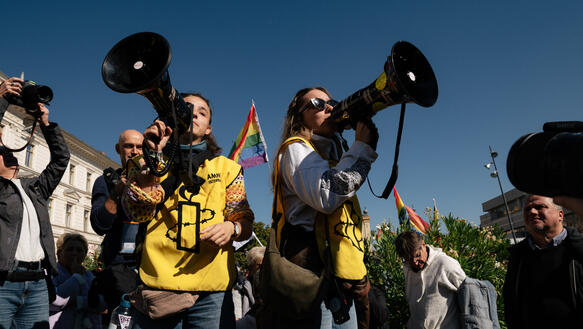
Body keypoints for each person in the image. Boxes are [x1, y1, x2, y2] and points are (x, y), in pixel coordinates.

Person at [124, 93, 254, 329]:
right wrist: (151, 161)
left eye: (202, 112)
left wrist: (231, 227)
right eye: (186, 109)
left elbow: (244, 221)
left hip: (211, 293)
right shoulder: (144, 161)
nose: (194, 113)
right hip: (159, 289)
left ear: (208, 129)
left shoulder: (228, 168)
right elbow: (138, 213)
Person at [265, 87, 378, 329]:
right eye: (317, 103)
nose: (330, 107)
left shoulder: (334, 154)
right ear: (298, 116)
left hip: (341, 280)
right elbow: (328, 194)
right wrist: (362, 148)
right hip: (312, 278)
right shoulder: (295, 148)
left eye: (332, 103)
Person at [0, 77, 70, 329]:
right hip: (4, 284)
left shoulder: (35, 188)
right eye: (2, 151)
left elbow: (61, 160)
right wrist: (3, 101)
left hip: (38, 284)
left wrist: (46, 124)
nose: (8, 153)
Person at [503, 195, 583, 328]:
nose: (532, 212)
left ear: (560, 215)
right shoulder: (518, 257)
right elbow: (511, 305)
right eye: (527, 209)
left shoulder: (578, 249)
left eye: (540, 207)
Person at [89, 129, 143, 316]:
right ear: (118, 149)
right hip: (119, 270)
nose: (135, 151)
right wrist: (117, 191)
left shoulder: (156, 182)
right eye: (129, 146)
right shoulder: (105, 181)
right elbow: (99, 225)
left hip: (150, 269)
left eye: (139, 147)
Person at [394, 231, 466, 329]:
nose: (414, 263)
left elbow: (469, 297)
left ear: (423, 245)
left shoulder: (445, 264)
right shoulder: (407, 269)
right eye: (409, 259)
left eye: (417, 255)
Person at [49, 233, 106, 329]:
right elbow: (55, 301)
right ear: (59, 253)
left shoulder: (90, 276)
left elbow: (101, 304)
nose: (75, 253)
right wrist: (76, 277)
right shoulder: (52, 273)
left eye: (80, 250)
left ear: (85, 254)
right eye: (70, 249)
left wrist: (78, 302)